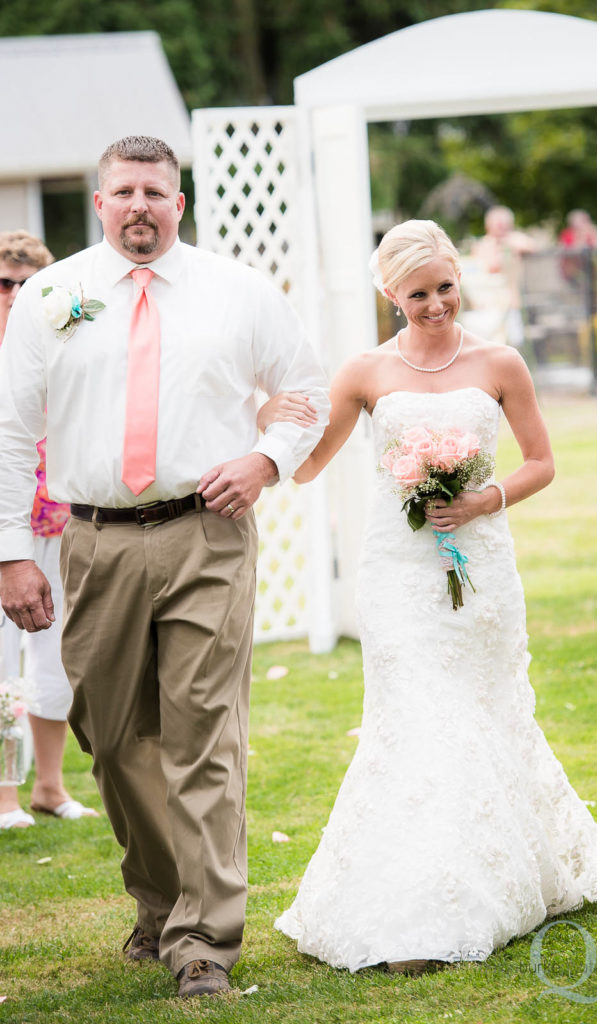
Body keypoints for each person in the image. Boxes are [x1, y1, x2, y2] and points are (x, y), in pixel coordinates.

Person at [259, 219, 597, 974]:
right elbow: (307, 465)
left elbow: (542, 462)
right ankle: (415, 902)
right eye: (418, 293)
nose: (436, 304)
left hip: (480, 569)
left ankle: (491, 879)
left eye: (445, 287)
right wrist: (271, 423)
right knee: (414, 716)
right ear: (391, 295)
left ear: (460, 281)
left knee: (481, 714)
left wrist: (485, 500)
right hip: (397, 574)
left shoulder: (500, 361)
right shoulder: (362, 372)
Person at [0, 137, 329, 998]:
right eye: (123, 192)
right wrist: (9, 556)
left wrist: (266, 459)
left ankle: (203, 943)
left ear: (179, 203)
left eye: (156, 191)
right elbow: (9, 432)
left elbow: (308, 389)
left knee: (201, 734)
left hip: (206, 534)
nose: (139, 206)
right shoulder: (50, 295)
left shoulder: (239, 292)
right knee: (109, 739)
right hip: (95, 538)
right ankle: (160, 900)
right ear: (99, 203)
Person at [0, 230, 98, 829]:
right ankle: (4, 792)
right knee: (0, 663)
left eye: (24, 284)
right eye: (2, 282)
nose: (12, 294)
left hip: (58, 519)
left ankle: (50, 786)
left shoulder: (58, 346)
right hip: (2, 526)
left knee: (55, 653)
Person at [462, 205, 535, 346]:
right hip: (489, 305)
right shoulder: (482, 245)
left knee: (515, 342)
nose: (500, 227)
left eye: (503, 224)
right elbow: (485, 268)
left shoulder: (514, 240)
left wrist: (507, 244)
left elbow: (529, 245)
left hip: (512, 301)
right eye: (497, 224)